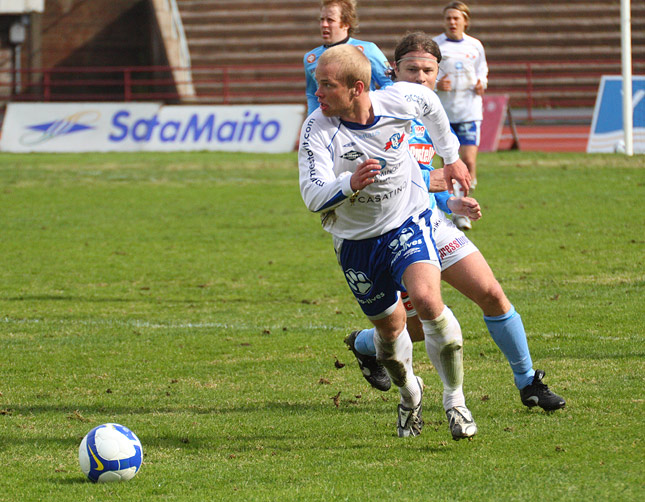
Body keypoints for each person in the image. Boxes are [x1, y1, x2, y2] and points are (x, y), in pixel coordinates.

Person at [344, 32, 566, 417]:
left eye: (428, 70)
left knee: (492, 293)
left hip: (432, 222)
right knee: (412, 326)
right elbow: (390, 180)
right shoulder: (374, 113)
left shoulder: (433, 117)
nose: (420, 76)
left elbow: (429, 177)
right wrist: (434, 182)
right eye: (411, 68)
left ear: (437, 73)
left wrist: (451, 200)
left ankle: (528, 382)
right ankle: (366, 345)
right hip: (390, 234)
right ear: (394, 70)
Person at [299, 43, 476, 441]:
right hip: (356, 243)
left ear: (357, 88)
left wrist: (451, 157)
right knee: (391, 334)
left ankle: (456, 401)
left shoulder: (398, 99)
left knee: (429, 302)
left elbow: (429, 103)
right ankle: (410, 393)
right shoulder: (317, 127)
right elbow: (312, 195)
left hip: (406, 224)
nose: (318, 93)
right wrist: (350, 183)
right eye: (317, 84)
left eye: (326, 85)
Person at [433, 1, 488, 231]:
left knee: (469, 161)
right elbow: (427, 72)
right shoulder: (436, 45)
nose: (452, 22)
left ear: (465, 20)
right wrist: (437, 84)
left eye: (456, 18)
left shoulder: (475, 45)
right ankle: (458, 212)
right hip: (443, 113)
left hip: (468, 110)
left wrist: (481, 83)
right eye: (448, 18)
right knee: (447, 163)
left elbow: (482, 70)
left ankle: (463, 196)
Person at [304, 0, 393, 115]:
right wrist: (312, 118)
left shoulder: (368, 50)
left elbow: (389, 83)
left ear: (346, 23)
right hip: (330, 126)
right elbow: (312, 94)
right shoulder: (310, 58)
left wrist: (370, 106)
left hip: (361, 121)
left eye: (330, 20)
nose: (324, 24)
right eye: (322, 19)